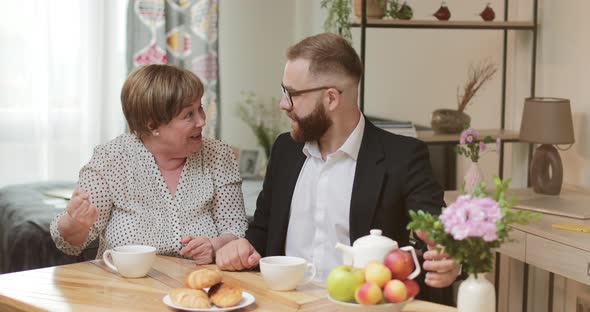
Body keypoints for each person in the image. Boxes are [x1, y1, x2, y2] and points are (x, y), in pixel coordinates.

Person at [214, 33, 459, 304]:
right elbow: (262, 231)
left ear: (331, 98)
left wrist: (449, 262)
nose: (283, 104)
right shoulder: (286, 149)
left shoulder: (403, 157)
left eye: (292, 94)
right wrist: (241, 247)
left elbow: (438, 237)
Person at [50, 64, 248, 264]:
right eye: (189, 114)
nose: (201, 121)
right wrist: (75, 222)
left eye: (200, 108)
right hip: (125, 287)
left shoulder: (218, 155)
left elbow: (235, 229)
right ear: (152, 125)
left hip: (196, 287)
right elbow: (71, 242)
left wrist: (213, 247)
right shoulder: (111, 159)